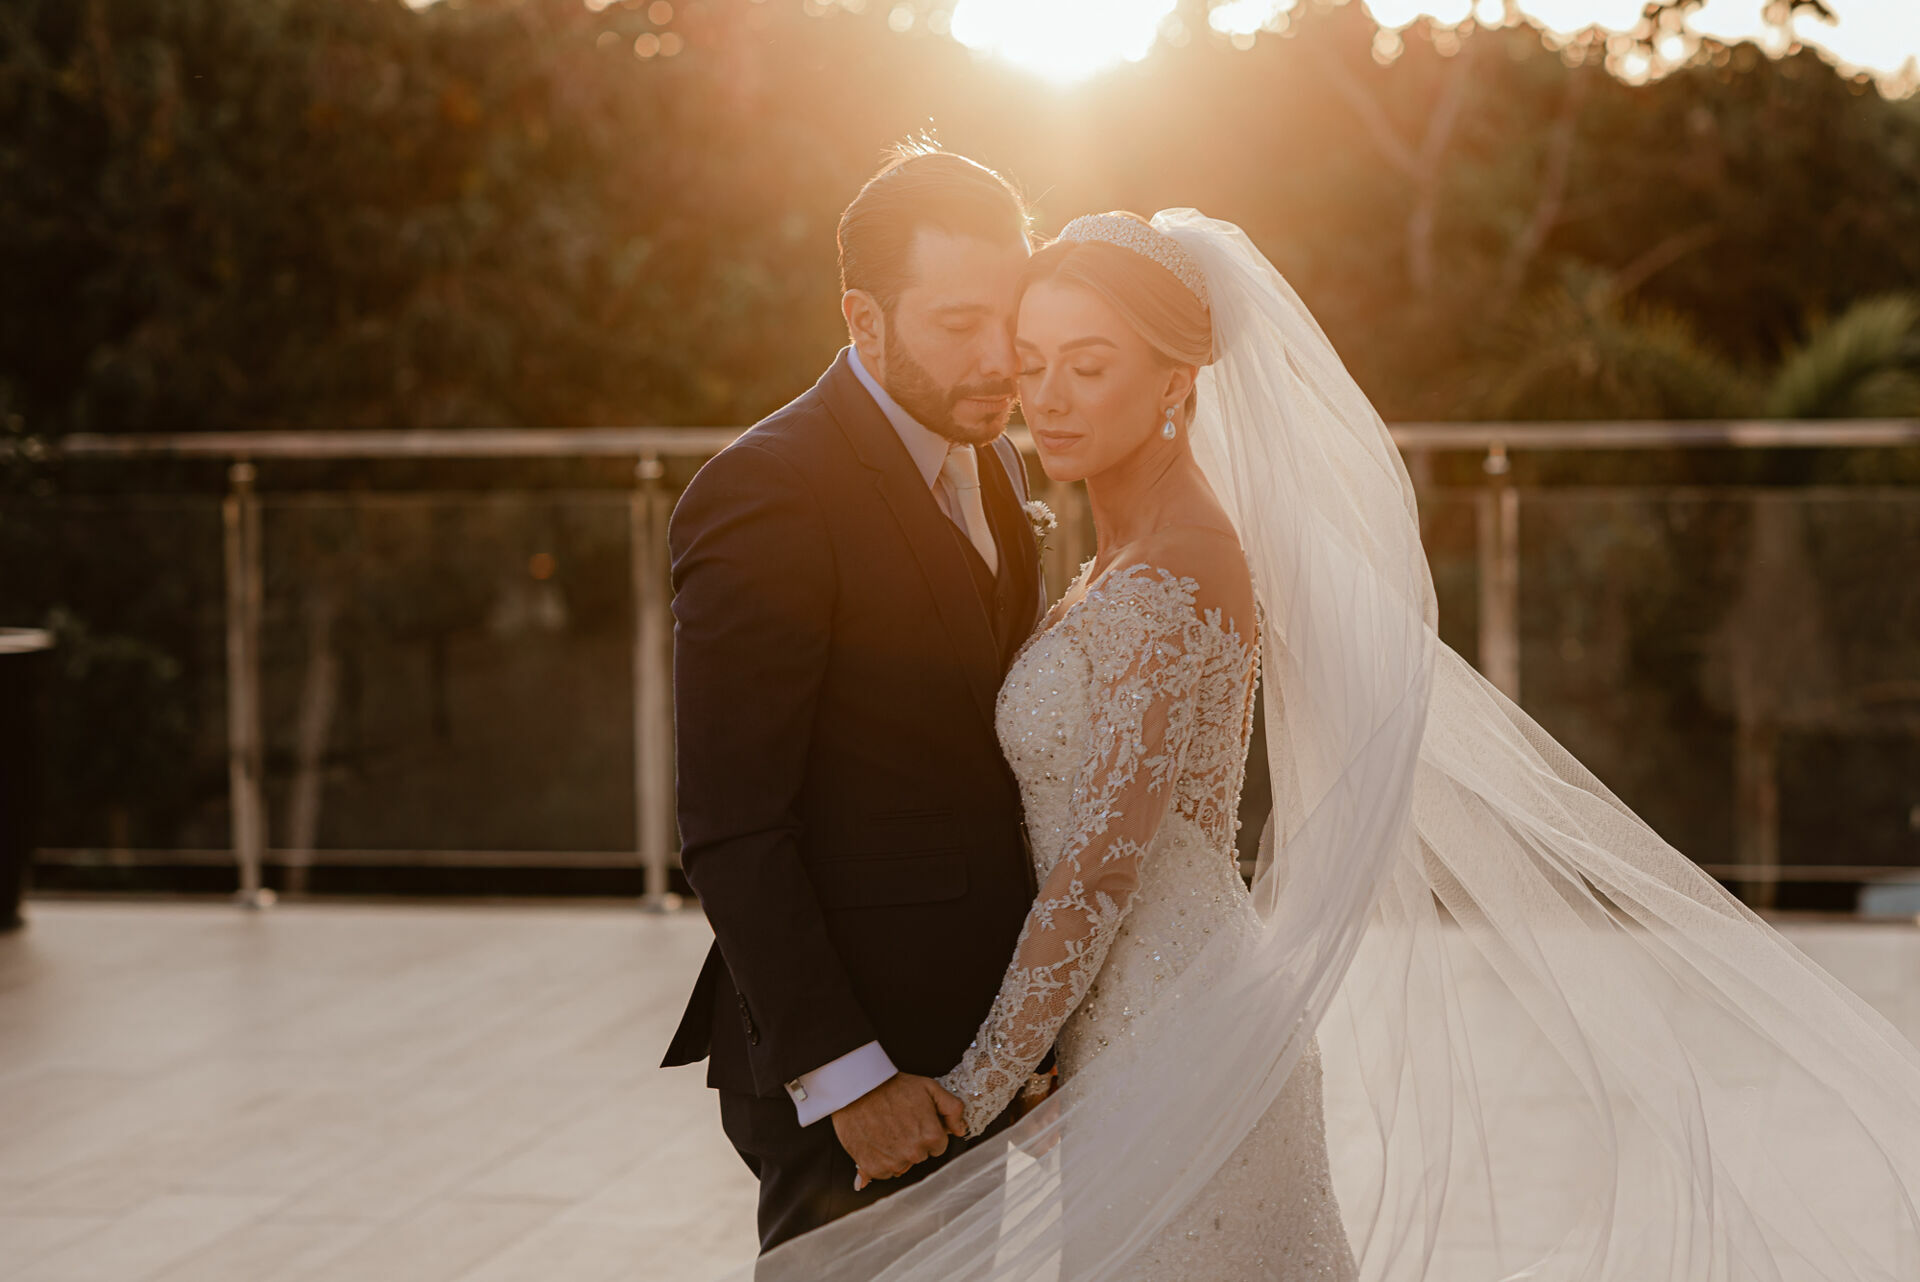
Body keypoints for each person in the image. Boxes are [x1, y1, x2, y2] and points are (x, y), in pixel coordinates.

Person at [723, 209, 1920, 1281]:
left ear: (1179, 382)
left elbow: (1100, 870)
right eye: (1033, 366)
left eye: (1089, 367)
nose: (1050, 398)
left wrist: (972, 1090)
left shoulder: (1178, 569)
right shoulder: (1107, 558)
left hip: (1170, 1025)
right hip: (1126, 1029)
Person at [660, 143, 1051, 1255]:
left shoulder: (1000, 463)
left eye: (1007, 318)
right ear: (863, 320)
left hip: (976, 1054)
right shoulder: (766, 492)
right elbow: (734, 826)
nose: (998, 359)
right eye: (957, 322)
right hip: (856, 1068)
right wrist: (846, 1078)